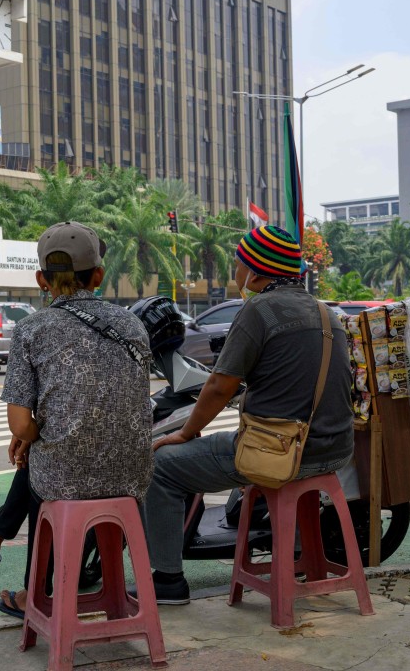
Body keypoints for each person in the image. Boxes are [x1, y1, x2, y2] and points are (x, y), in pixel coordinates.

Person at [143, 224, 355, 604]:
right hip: (333, 451)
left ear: (255, 272)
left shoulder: (257, 309)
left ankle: (167, 580)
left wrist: (186, 433)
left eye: (238, 264)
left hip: (278, 452)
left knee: (161, 466)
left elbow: (220, 386)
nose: (235, 272)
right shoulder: (325, 312)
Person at [0, 221, 154, 618]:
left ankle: (37, 596)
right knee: (45, 456)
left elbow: (20, 424)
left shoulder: (33, 328)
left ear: (41, 279)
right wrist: (32, 438)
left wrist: (28, 438)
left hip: (67, 474)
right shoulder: (133, 323)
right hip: (132, 473)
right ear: (98, 275)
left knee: (43, 467)